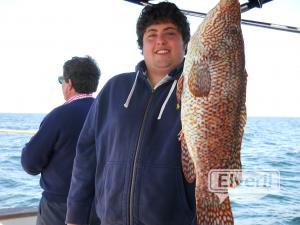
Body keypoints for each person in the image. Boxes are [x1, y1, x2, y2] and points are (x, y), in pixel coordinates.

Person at [66, 2, 196, 225]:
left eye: (170, 33)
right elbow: (86, 156)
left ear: (185, 44)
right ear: (142, 45)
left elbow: (219, 160)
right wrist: (74, 218)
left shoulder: (201, 93)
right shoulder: (114, 88)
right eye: (151, 34)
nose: (160, 41)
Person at [21, 56, 101, 225]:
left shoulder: (59, 115)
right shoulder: (106, 114)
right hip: (100, 206)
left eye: (61, 80)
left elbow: (30, 164)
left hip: (60, 208)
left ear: (69, 83)